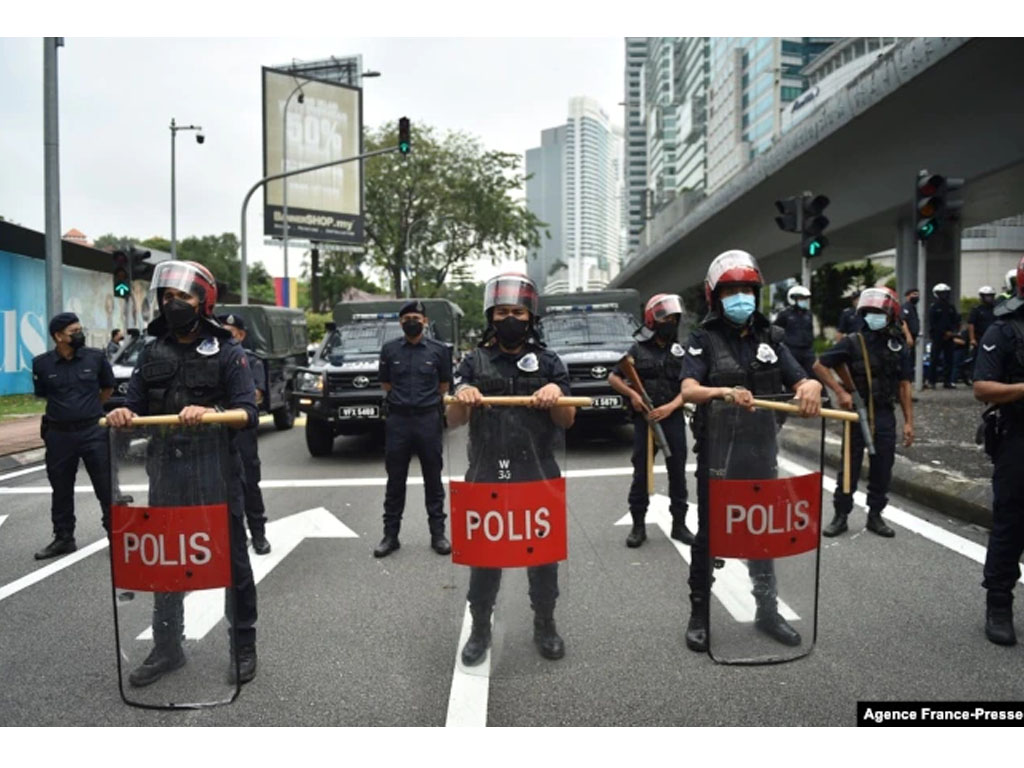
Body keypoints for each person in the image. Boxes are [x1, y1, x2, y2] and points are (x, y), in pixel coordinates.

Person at [106, 260, 260, 686]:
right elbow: (132, 402)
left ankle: (243, 646)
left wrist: (211, 412)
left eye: (183, 297)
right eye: (167, 297)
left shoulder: (229, 351)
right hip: (166, 474)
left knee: (233, 563)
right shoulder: (151, 351)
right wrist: (121, 411)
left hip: (217, 473)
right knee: (166, 564)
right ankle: (167, 648)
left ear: (204, 301)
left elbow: (248, 411)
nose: (173, 304)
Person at [680, 250, 822, 653]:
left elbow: (799, 378)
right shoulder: (702, 338)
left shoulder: (771, 337)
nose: (741, 297)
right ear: (715, 296)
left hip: (761, 450)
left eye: (747, 290)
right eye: (732, 291)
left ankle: (767, 610)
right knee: (709, 535)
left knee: (762, 534)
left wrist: (809, 386)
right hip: (718, 456)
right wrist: (723, 391)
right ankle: (699, 614)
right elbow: (689, 389)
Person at [447, 273, 575, 665]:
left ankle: (545, 624)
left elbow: (568, 420)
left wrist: (555, 395)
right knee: (486, 560)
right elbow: (453, 421)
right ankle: (480, 628)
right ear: (491, 316)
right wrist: (463, 397)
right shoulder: (473, 361)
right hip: (487, 474)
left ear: (530, 316)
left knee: (543, 560)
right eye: (502, 311)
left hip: (538, 474)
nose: (510, 318)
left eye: (517, 311)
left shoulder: (551, 362)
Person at [814, 287, 914, 539]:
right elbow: (820, 365)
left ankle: (875, 516)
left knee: (883, 467)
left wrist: (909, 423)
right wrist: (841, 391)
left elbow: (904, 385)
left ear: (891, 314)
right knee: (849, 467)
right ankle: (841, 516)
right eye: (868, 312)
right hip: (856, 414)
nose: (873, 316)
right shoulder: (853, 341)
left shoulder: (897, 345)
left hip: (884, 414)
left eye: (878, 312)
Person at [607, 293, 692, 547]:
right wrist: (633, 395)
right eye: (666, 317)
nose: (671, 321)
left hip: (673, 417)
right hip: (645, 420)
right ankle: (638, 526)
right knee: (641, 473)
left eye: (674, 317)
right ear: (652, 319)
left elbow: (689, 386)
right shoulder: (637, 349)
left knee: (678, 472)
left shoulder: (681, 350)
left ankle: (679, 525)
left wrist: (671, 407)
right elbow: (614, 377)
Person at [31, 313, 115, 559]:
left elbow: (107, 387)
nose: (79, 334)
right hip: (59, 434)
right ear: (58, 337)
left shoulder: (96, 357)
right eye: (73, 331)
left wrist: (89, 409)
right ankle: (63, 537)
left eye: (80, 329)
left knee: (105, 485)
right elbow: (44, 394)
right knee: (61, 488)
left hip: (93, 430)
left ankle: (117, 536)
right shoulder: (41, 364)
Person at [375, 300, 453, 558]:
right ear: (400, 322)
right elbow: (386, 384)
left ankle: (438, 535)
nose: (412, 321)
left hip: (428, 419)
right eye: (407, 317)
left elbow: (443, 385)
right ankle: (390, 536)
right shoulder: (389, 350)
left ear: (425, 321)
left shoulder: (439, 350)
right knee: (395, 480)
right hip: (398, 420)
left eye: (416, 317)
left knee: (433, 477)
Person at [972, 255, 1024, 646]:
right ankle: (999, 604)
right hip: (1018, 438)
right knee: (1010, 522)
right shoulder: (1004, 330)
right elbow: (983, 388)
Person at [219, 313, 271, 555]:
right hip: (214, 433)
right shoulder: (210, 360)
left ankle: (258, 534)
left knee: (250, 484)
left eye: (230, 331)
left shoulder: (251, 361)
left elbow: (256, 395)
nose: (225, 335)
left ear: (241, 335)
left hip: (242, 432)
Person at [773, 285, 816, 380]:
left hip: (807, 350)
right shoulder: (785, 314)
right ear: (793, 299)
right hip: (792, 350)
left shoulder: (808, 314)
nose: (803, 301)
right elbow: (776, 330)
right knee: (793, 376)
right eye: (801, 298)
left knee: (813, 375)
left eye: (805, 299)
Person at [928, 282, 960, 389]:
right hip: (937, 337)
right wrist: (943, 332)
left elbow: (956, 320)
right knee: (934, 359)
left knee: (949, 359)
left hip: (950, 337)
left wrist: (953, 331)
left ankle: (947, 381)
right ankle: (932, 381)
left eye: (945, 293)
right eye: (941, 293)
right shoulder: (934, 307)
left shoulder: (951, 307)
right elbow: (933, 323)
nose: (944, 295)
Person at [968, 287, 998, 381]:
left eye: (991, 296)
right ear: (982, 297)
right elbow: (971, 324)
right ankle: (975, 377)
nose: (989, 298)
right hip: (980, 338)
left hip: (995, 338)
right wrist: (972, 339)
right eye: (987, 296)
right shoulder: (977, 310)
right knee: (977, 358)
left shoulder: (997, 309)